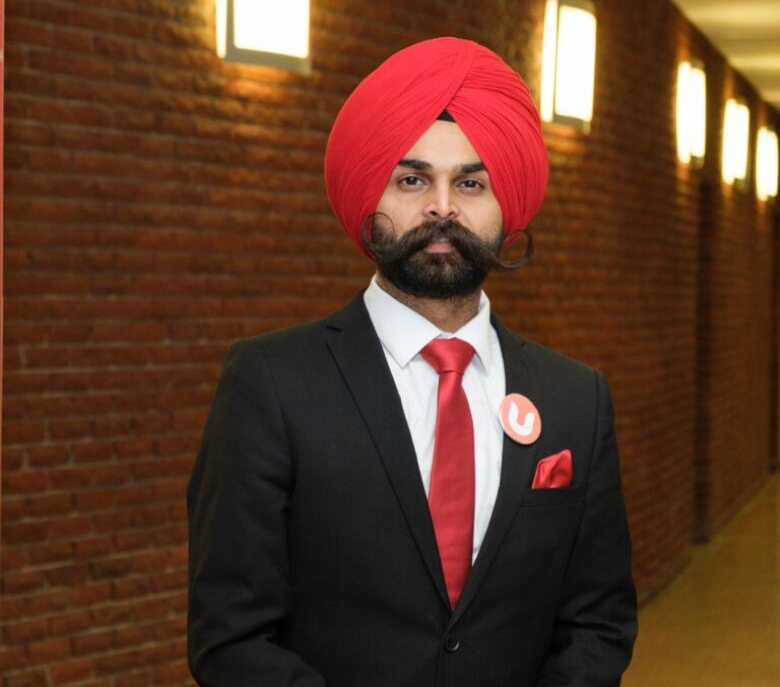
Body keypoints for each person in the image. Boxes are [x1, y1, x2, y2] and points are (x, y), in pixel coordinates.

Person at [187, 36, 637, 686]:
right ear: (371, 197)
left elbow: (598, 622)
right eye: (412, 178)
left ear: (506, 204)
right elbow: (228, 636)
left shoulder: (577, 399)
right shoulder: (272, 383)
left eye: (471, 182)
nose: (443, 207)